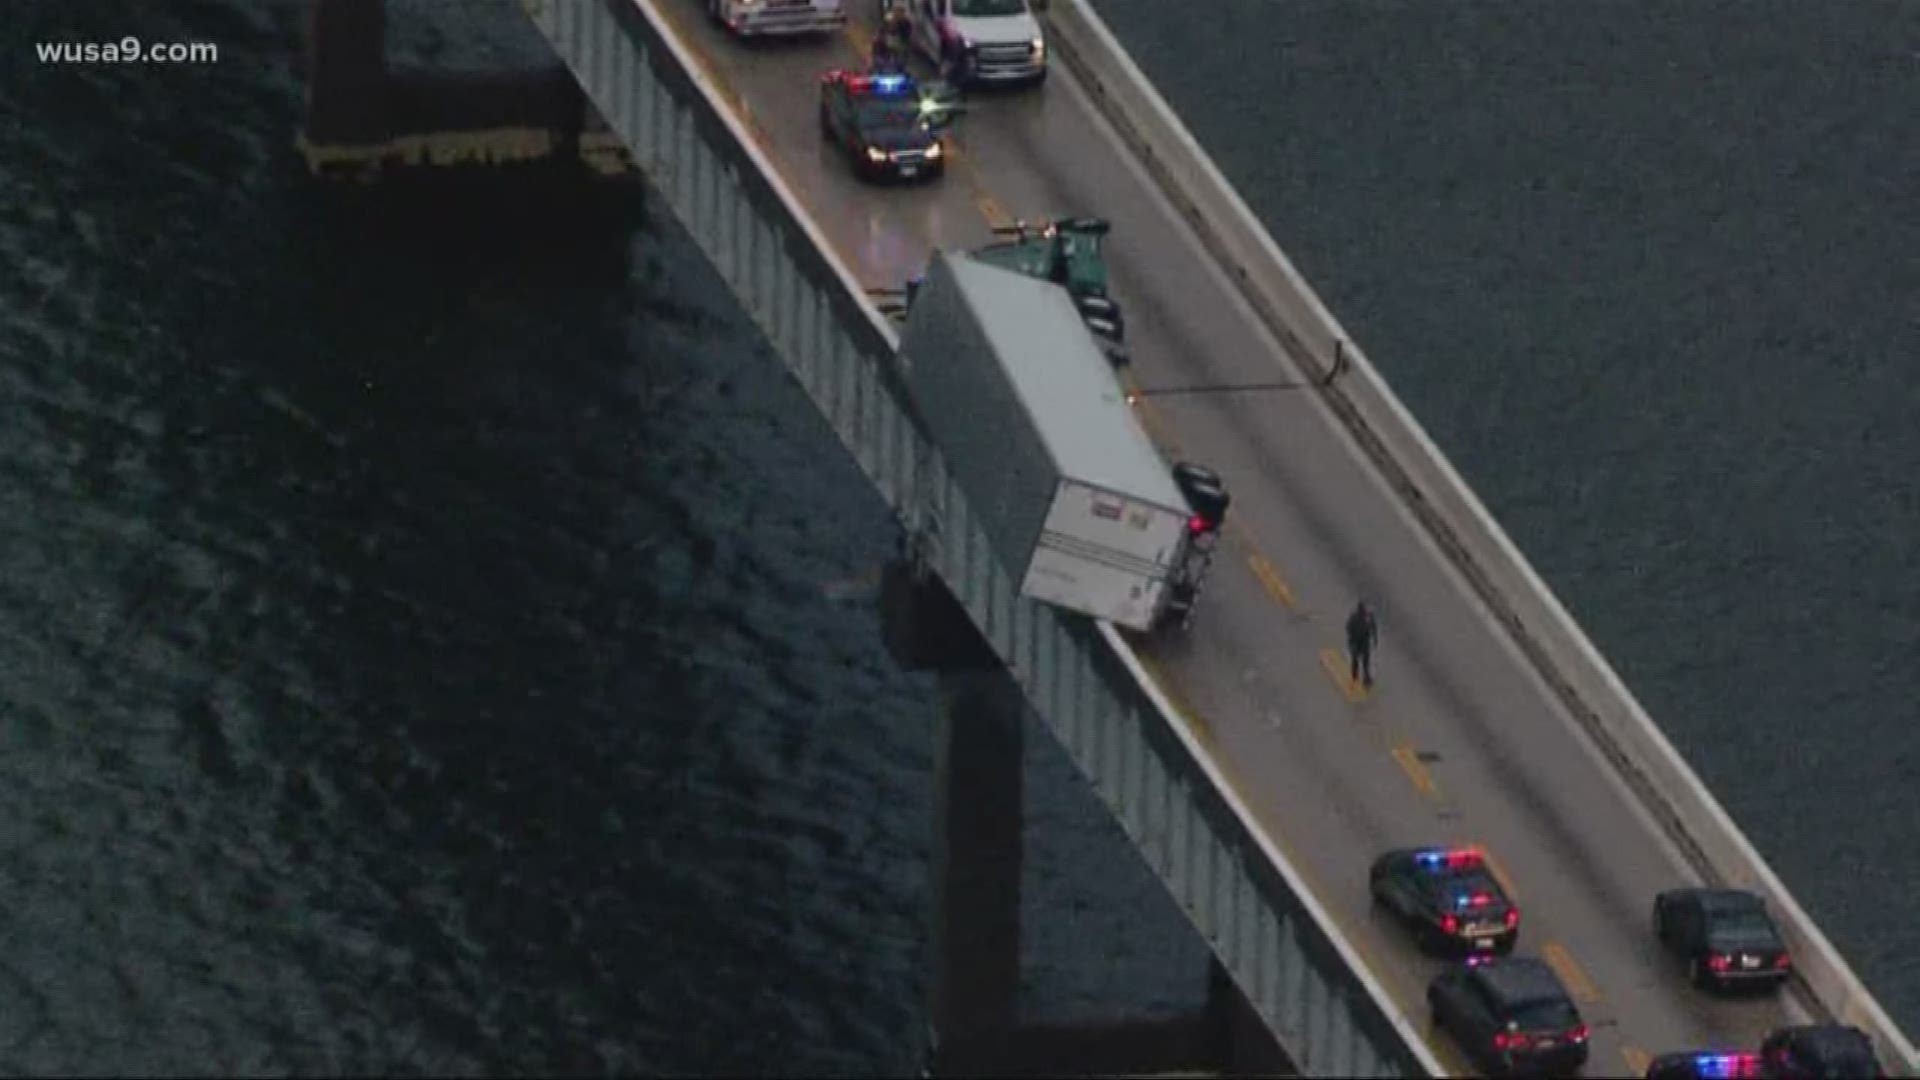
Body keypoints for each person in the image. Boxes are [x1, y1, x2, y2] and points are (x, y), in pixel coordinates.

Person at [1346, 601, 1378, 687]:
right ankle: (1355, 677)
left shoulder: (1368, 617)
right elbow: (1349, 628)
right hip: (1356, 640)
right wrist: (1351, 641)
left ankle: (1366, 678)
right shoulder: (1354, 617)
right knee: (1355, 660)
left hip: (1364, 640)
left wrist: (1375, 639)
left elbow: (1373, 627)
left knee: (1365, 660)